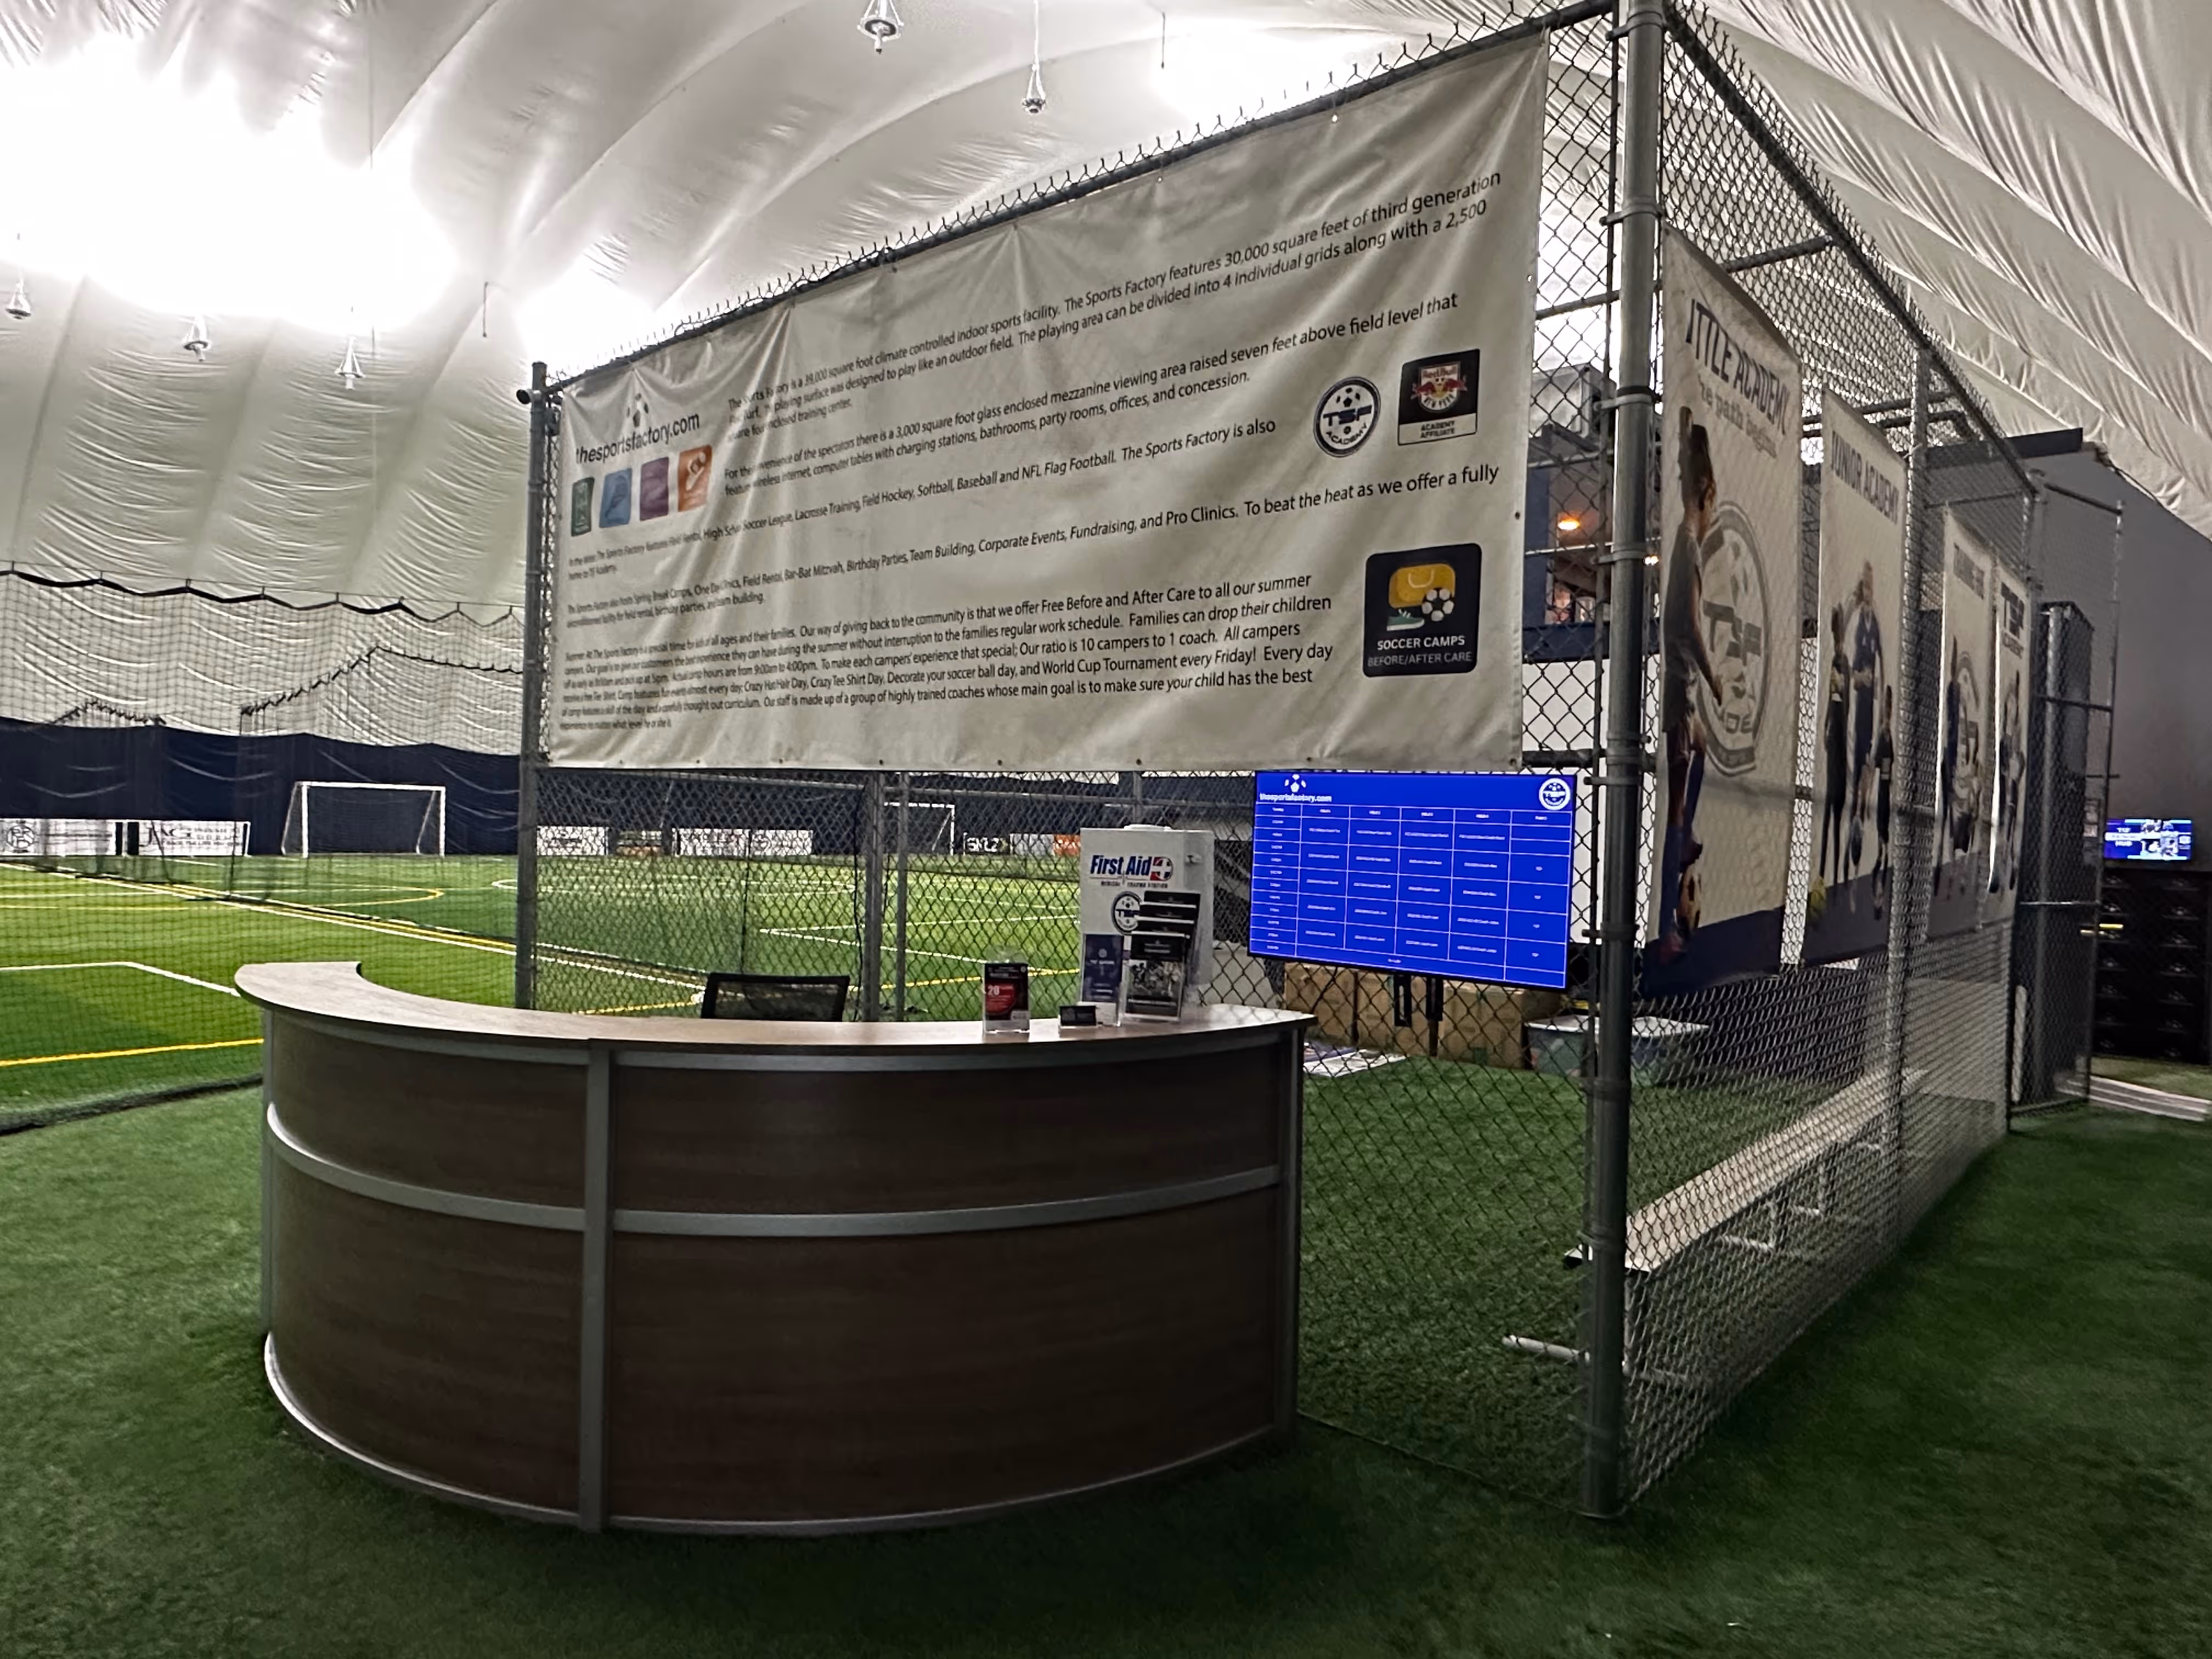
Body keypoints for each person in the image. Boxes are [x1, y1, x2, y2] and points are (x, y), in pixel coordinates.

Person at [1655, 407, 1722, 967]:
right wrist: (1714, 679)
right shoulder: (1690, 545)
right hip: (1681, 683)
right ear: (1708, 492)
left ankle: (1690, 834)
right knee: (1674, 807)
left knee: (1700, 749)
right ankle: (1665, 927)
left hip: (1682, 686)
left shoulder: (1684, 538)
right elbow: (1689, 625)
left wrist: (1681, 433)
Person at [1847, 561, 1884, 876]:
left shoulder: (1876, 626)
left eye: (1872, 586)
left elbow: (1882, 666)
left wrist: (1878, 688)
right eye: (1866, 587)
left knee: (1867, 765)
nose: (1870, 593)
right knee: (1860, 761)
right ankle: (1855, 819)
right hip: (1858, 707)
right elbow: (1851, 673)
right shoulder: (1859, 623)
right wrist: (1862, 678)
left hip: (1870, 710)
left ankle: (1860, 814)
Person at [1819, 602, 1850, 887]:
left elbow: (1845, 704)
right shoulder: (1832, 662)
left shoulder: (1844, 664)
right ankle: (1821, 873)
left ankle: (1837, 875)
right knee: (1829, 806)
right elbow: (1832, 699)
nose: (1838, 640)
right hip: (1833, 740)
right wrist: (1826, 725)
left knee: (1837, 808)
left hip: (1840, 743)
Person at [1872, 685, 1895, 885]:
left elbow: (1891, 759)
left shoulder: (1888, 736)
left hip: (1886, 784)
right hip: (1882, 784)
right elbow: (1878, 760)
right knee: (1881, 816)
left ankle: (1884, 850)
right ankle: (1881, 850)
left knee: (1885, 817)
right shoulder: (1883, 735)